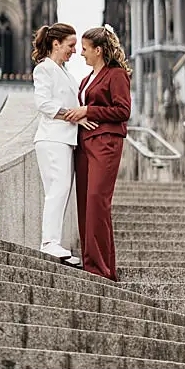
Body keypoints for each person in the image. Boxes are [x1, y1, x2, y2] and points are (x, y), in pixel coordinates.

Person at [64, 24, 131, 281]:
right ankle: (92, 262)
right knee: (84, 204)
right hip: (84, 143)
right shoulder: (85, 79)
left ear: (99, 50)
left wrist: (89, 111)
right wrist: (79, 116)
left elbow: (122, 111)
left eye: (85, 49)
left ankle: (101, 268)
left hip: (106, 143)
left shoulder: (116, 75)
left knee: (97, 202)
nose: (81, 54)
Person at [31, 23, 82, 267]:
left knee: (61, 190)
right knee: (57, 190)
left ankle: (54, 241)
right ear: (56, 44)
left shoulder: (65, 73)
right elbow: (43, 103)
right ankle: (49, 243)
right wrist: (72, 115)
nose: (74, 50)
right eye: (71, 45)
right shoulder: (45, 69)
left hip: (64, 139)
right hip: (52, 138)